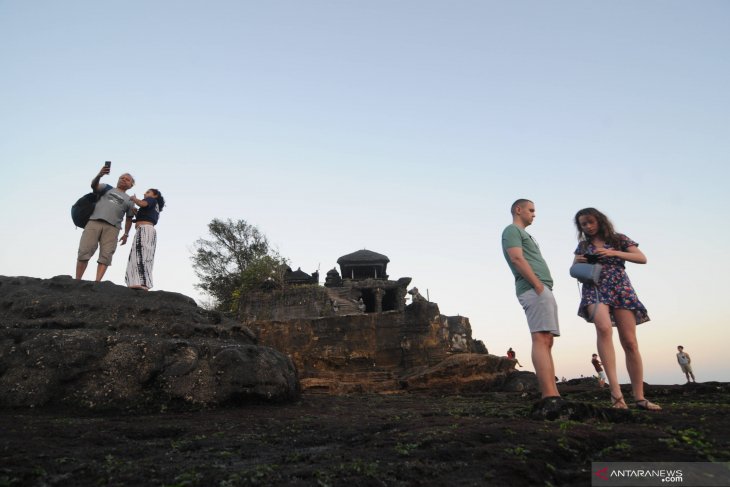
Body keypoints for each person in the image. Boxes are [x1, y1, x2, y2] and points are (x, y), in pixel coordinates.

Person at [572, 207, 660, 411]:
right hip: (594, 288)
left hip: (619, 285)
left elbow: (641, 258)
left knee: (630, 342)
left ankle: (639, 397)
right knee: (603, 328)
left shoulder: (619, 239)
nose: (588, 226)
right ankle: (616, 395)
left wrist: (611, 252)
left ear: (600, 221)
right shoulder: (583, 245)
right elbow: (574, 268)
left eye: (591, 222)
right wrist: (580, 261)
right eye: (584, 224)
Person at [502, 199, 560, 399]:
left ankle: (553, 392)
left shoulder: (527, 235)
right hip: (534, 289)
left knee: (547, 340)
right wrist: (537, 285)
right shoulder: (512, 231)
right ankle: (549, 395)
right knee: (541, 338)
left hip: (542, 288)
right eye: (531, 210)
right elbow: (517, 258)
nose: (534, 214)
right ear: (518, 210)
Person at [76, 166, 135, 282]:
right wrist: (99, 175)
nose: (123, 179)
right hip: (94, 221)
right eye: (122, 178)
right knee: (84, 251)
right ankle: (77, 280)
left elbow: (129, 218)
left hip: (113, 228)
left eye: (127, 179)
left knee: (106, 255)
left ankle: (97, 282)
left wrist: (126, 234)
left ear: (131, 185)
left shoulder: (130, 200)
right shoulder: (107, 188)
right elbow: (94, 186)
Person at [125, 189, 165, 290]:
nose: (145, 193)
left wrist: (134, 199)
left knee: (140, 254)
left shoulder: (151, 200)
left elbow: (143, 204)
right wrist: (136, 213)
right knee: (145, 255)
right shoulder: (155, 206)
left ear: (155, 195)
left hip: (145, 229)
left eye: (148, 192)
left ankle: (140, 282)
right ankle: (144, 283)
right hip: (148, 230)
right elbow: (146, 215)